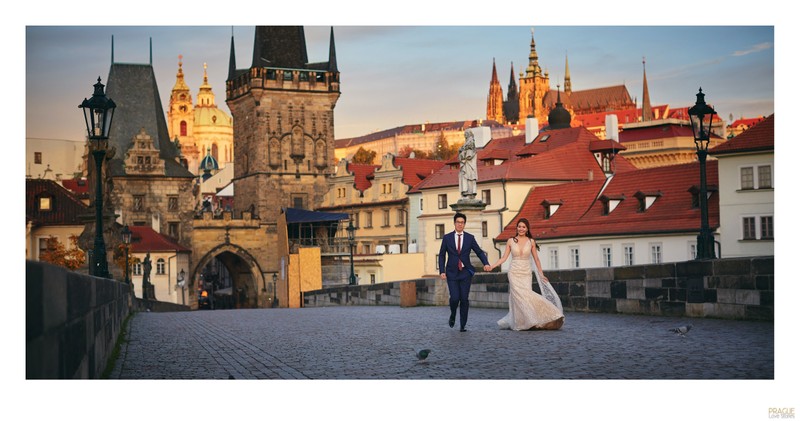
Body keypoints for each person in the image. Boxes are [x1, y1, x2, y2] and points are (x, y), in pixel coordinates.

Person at [489, 218, 564, 330]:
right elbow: (504, 257)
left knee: (527, 295)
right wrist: (493, 266)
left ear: (527, 228)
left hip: (526, 272)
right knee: (519, 297)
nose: (521, 229)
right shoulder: (511, 241)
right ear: (517, 228)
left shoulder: (531, 241)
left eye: (523, 227)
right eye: (519, 226)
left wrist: (541, 274)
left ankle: (548, 314)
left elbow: (536, 259)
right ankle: (524, 322)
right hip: (514, 272)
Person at [439, 212, 491, 332]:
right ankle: (452, 314)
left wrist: (486, 263)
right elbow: (441, 255)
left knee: (464, 299)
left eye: (462, 222)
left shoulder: (469, 238)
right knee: (455, 298)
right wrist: (442, 271)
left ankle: (463, 325)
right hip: (451, 273)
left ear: (464, 224)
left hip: (465, 273)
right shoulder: (447, 238)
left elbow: (479, 251)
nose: (460, 224)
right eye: (458, 222)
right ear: (454, 223)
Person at [458, 131, 477, 199]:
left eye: (466, 135)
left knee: (469, 176)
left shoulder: (471, 143)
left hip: (469, 164)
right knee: (466, 176)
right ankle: (466, 191)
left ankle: (469, 192)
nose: (465, 136)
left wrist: (462, 153)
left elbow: (469, 156)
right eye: (464, 135)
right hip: (466, 164)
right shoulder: (467, 144)